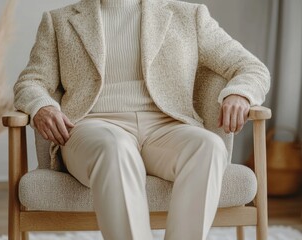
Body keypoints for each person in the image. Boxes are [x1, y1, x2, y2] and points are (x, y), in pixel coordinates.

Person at [14, 0, 270, 239]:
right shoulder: (59, 21)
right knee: (114, 148)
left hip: (166, 128)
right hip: (93, 128)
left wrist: (239, 93)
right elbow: (31, 81)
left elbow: (251, 67)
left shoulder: (189, 16)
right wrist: (41, 106)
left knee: (209, 146)